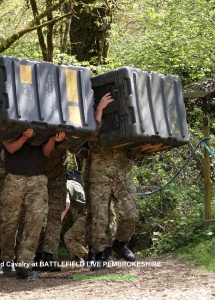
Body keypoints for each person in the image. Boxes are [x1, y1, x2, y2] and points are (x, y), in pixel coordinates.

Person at [0, 129, 65, 279]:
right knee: (10, 221)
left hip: (38, 178)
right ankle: (7, 260)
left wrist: (53, 139)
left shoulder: (41, 121)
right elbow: (10, 148)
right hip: (15, 178)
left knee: (36, 221)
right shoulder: (9, 121)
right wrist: (24, 136)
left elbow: (46, 152)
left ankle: (25, 264)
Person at [87, 92, 139, 269]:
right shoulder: (92, 119)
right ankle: (101, 253)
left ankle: (120, 243)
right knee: (100, 218)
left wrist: (147, 147)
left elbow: (133, 150)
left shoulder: (124, 122)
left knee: (131, 214)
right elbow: (91, 136)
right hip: (99, 177)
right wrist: (100, 108)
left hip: (122, 176)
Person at [33, 147, 67, 272]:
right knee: (35, 216)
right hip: (35, 173)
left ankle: (49, 255)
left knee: (55, 217)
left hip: (57, 177)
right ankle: (36, 255)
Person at [62, 176, 88, 261]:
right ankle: (79, 258)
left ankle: (87, 257)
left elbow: (67, 203)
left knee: (69, 238)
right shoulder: (75, 183)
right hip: (93, 213)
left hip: (87, 215)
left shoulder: (64, 185)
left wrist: (59, 219)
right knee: (81, 238)